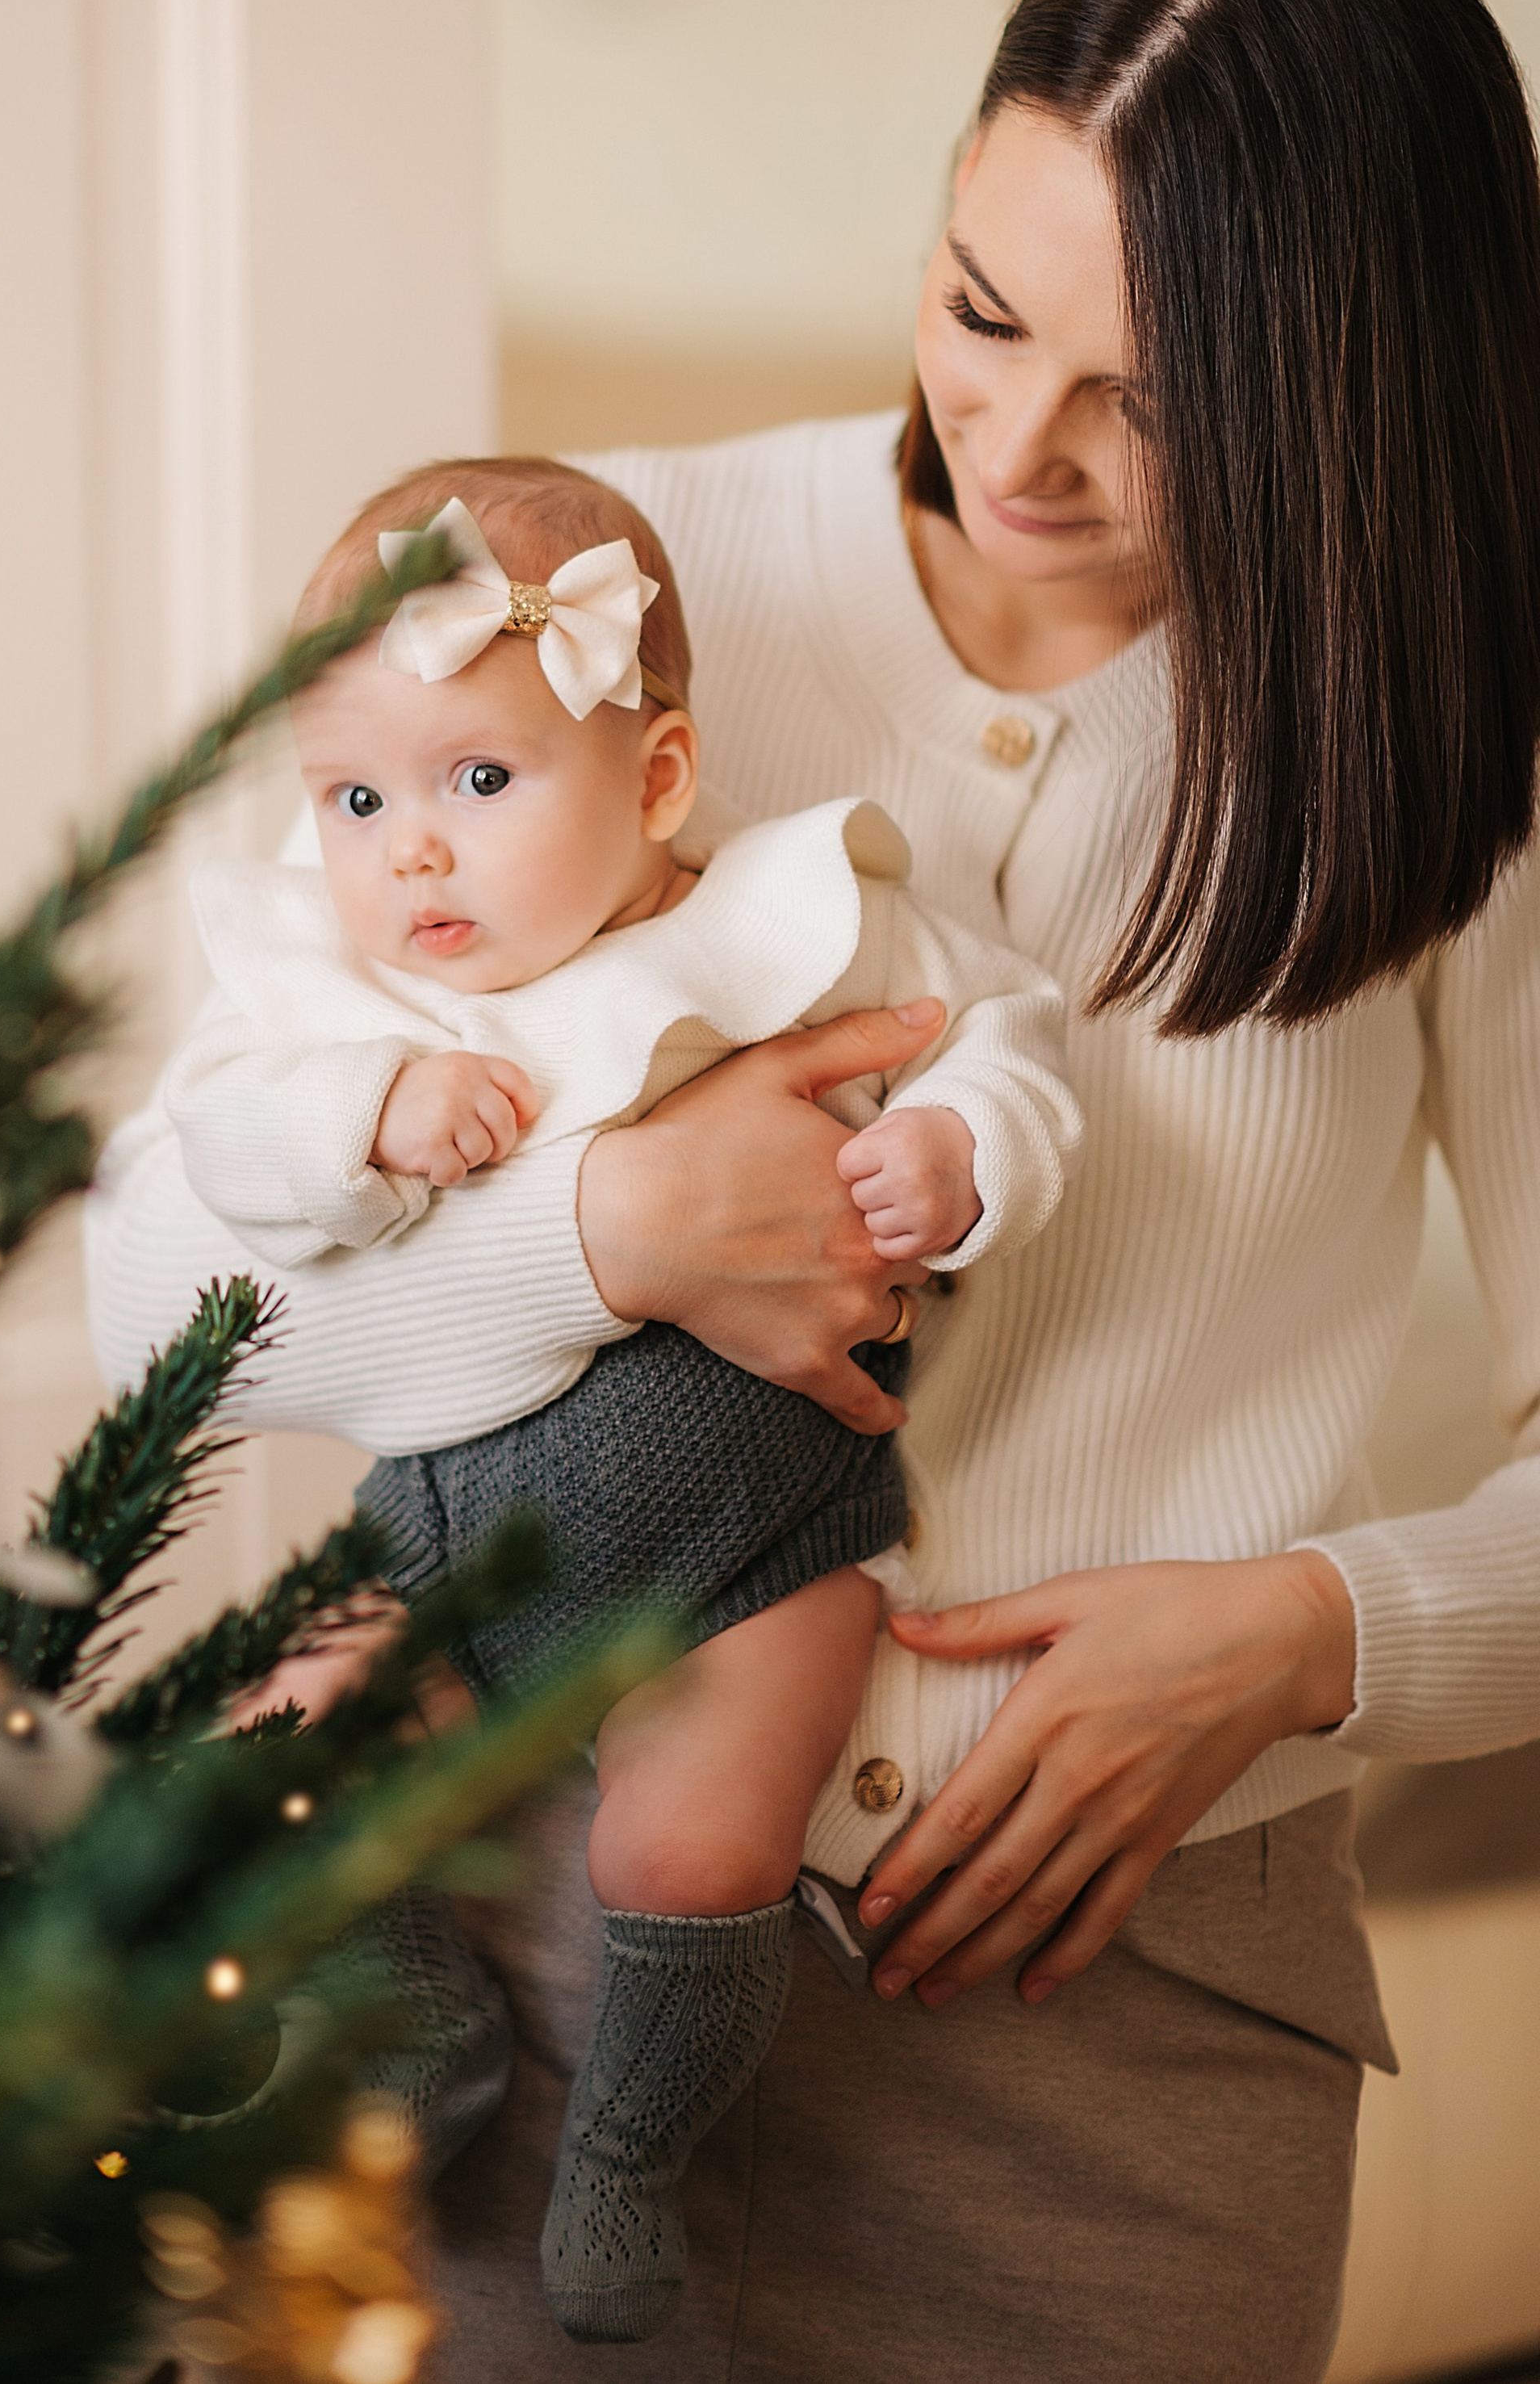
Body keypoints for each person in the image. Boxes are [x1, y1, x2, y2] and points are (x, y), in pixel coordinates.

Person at [86, 0, 1540, 2383]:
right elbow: (148, 1278)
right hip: (511, 1986)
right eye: (981, 314)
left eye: (1163, 392)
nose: (1025, 446)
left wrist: (1309, 1638)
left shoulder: (1472, 761)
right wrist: (608, 1230)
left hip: (1127, 2045)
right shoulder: (593, 587)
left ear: (1360, 379)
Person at [159, 463, 1080, 2340]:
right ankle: (414, 2040)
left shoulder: (793, 917)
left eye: (475, 784)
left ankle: (628, 2152)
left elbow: (1010, 1041)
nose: (406, 852)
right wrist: (359, 1121)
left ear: (654, 780)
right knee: (269, 1737)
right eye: (355, 799)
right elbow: (218, 1152)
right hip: (444, 1535)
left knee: (699, 1841)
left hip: (762, 1537)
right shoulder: (342, 1001)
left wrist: (955, 1150)